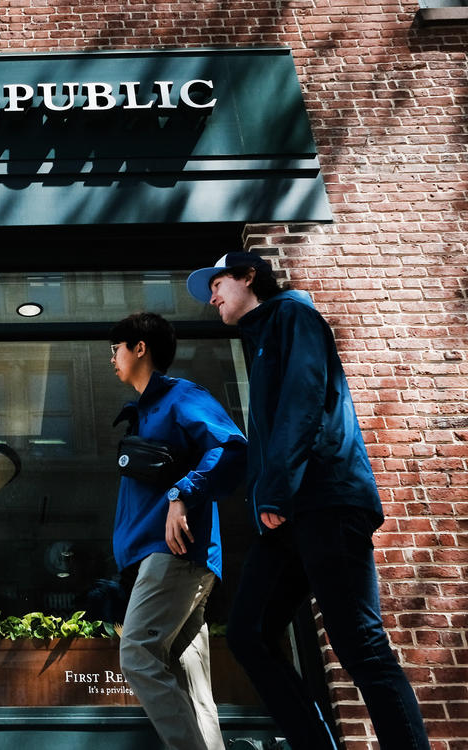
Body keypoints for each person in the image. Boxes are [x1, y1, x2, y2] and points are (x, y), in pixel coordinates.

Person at [186, 252, 430, 749]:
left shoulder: (293, 315)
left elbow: (304, 397)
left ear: (249, 276)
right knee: (249, 634)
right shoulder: (261, 338)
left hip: (323, 498)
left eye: (217, 283)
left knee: (359, 643)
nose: (212, 297)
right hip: (289, 515)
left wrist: (275, 489)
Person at [109, 312, 247, 750]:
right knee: (192, 684)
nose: (111, 358)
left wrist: (182, 493)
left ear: (140, 348)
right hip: (161, 561)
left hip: (173, 557)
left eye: (116, 349)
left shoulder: (181, 397)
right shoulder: (143, 413)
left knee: (136, 654)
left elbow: (230, 446)